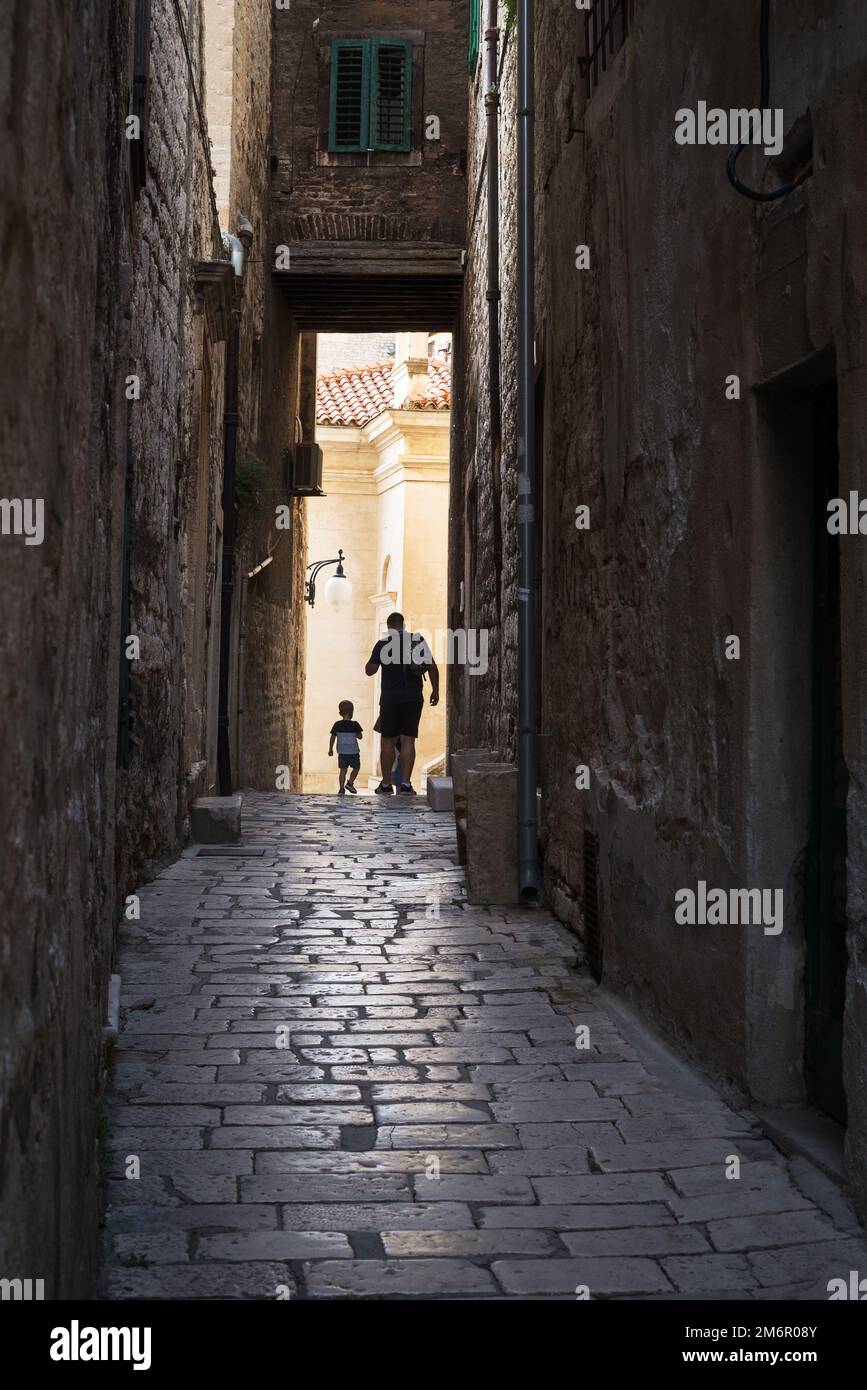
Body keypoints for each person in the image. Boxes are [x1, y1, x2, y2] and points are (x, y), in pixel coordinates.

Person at [366, 612, 439, 795]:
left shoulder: (383, 644)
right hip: (413, 698)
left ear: (389, 626)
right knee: (408, 740)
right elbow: (432, 667)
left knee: (388, 741)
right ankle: (406, 783)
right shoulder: (417, 640)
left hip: (390, 699)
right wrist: (435, 691)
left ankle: (386, 783)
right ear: (403, 625)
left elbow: (370, 670)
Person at [328, 701, 363, 795]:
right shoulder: (355, 725)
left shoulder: (337, 725)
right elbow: (360, 737)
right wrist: (355, 734)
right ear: (352, 712)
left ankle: (341, 788)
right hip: (353, 752)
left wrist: (330, 749)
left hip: (342, 753)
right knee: (356, 767)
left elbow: (332, 737)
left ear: (340, 713)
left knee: (343, 770)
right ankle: (350, 783)